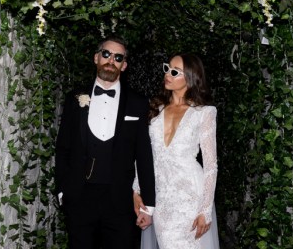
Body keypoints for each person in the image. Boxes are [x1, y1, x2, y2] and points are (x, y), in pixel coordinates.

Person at [55, 36, 156, 249]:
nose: (111, 60)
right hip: (80, 197)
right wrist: (63, 191)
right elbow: (63, 147)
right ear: (96, 57)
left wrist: (149, 204)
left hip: (120, 200)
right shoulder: (75, 98)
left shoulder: (138, 102)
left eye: (118, 57)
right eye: (106, 54)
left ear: (124, 65)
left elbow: (144, 155)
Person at [134, 54, 219, 249]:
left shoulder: (204, 113)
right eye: (167, 68)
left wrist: (204, 210)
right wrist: (137, 189)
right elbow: (146, 156)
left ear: (190, 78)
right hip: (162, 196)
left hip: (191, 196)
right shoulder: (156, 110)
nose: (167, 75)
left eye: (174, 72)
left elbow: (211, 166)